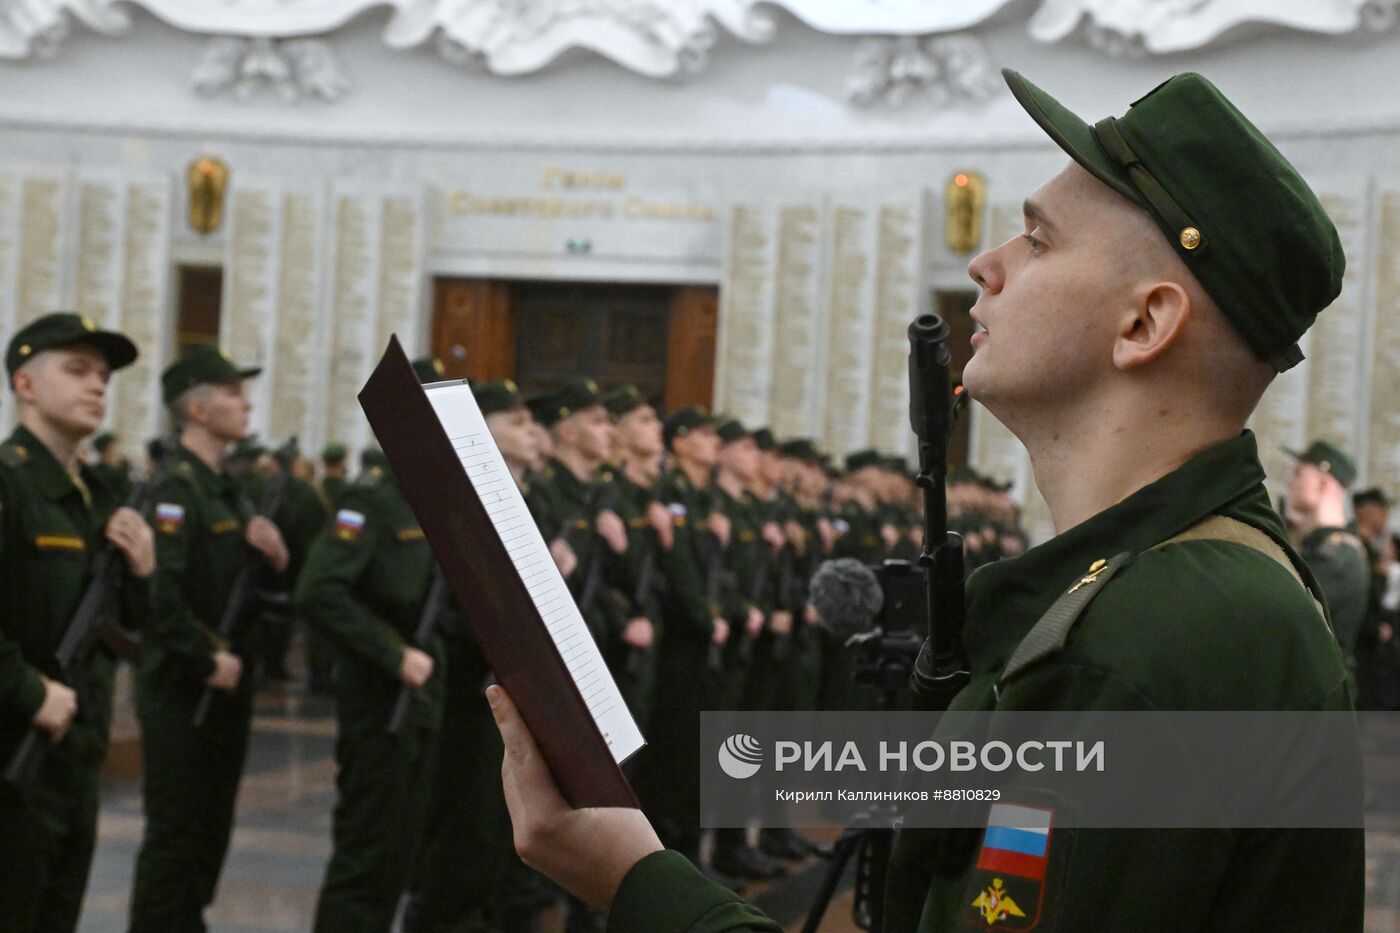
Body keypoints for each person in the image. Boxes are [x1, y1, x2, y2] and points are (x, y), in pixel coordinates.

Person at [485, 67, 1364, 932]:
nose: (986, 265)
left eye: (1040, 240)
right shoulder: (1182, 590)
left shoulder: (1153, 636)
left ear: (1143, 324)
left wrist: (634, 876)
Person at [0, 313, 154, 933]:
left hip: (74, 761)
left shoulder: (101, 494)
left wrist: (142, 572)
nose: (97, 386)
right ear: (26, 385)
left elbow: (133, 633)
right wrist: (29, 690)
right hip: (12, 755)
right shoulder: (10, 486)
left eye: (104, 376)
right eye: (77, 370)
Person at [128, 346, 291, 933]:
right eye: (231, 393)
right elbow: (159, 594)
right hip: (182, 684)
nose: (245, 404)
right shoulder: (176, 489)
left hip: (226, 682)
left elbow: (249, 590)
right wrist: (205, 656)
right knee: (175, 834)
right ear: (197, 408)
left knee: (209, 829)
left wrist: (275, 558)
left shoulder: (228, 488)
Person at [293, 358, 449, 933]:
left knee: (399, 857)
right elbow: (319, 590)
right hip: (381, 706)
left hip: (422, 706)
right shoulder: (374, 500)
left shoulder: (434, 499)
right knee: (367, 859)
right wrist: (393, 654)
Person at [406, 378, 556, 933]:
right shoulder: (458, 500)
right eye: (515, 421)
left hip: (511, 688)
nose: (532, 431)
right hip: (467, 690)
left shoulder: (516, 499)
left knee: (494, 835)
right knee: (458, 840)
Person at [1285, 440, 1371, 688]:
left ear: (1324, 483)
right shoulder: (1323, 546)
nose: (1290, 481)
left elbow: (1281, 613)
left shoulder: (1338, 556)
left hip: (1321, 699)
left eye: (1299, 473)